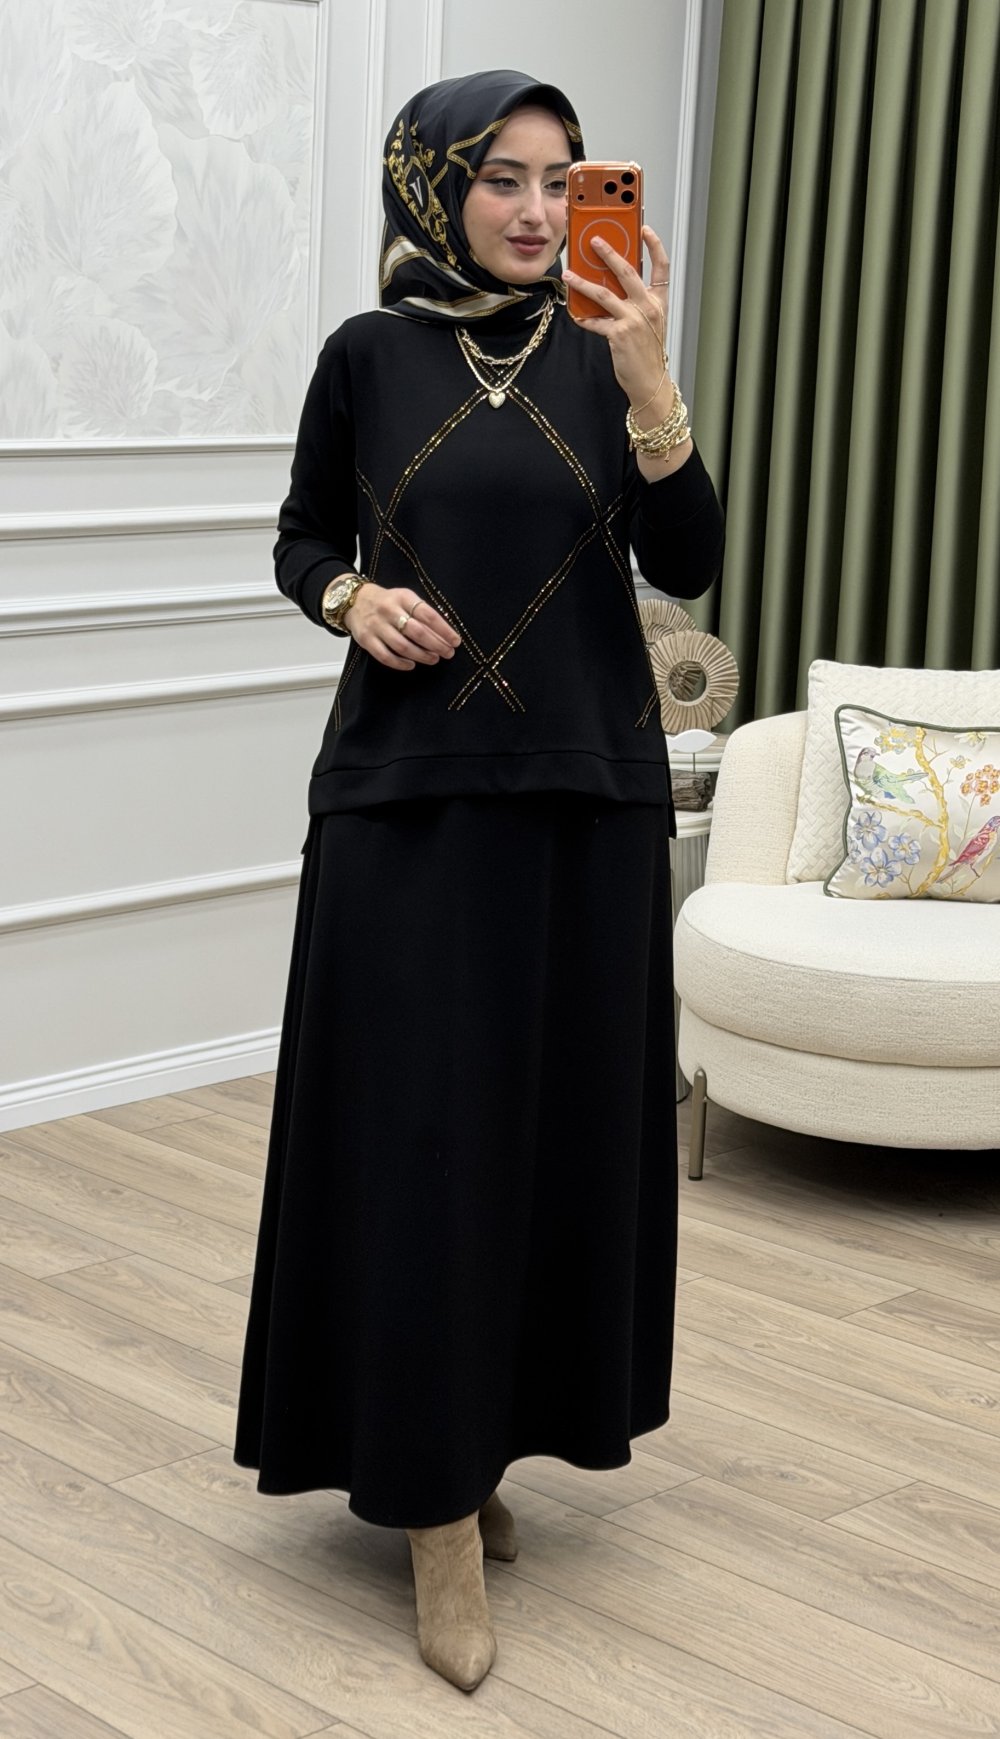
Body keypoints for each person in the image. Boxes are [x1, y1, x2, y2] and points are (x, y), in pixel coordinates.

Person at [233, 68, 724, 1695]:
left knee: (545, 1148)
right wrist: (351, 601)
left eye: (562, 179)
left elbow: (690, 561)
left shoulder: (607, 350)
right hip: (410, 805)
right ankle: (432, 1511)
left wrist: (652, 381)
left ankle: (486, 1448)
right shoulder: (365, 358)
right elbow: (302, 539)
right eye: (503, 177)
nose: (535, 209)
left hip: (586, 801)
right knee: (424, 1147)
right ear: (435, 186)